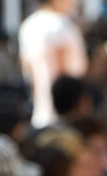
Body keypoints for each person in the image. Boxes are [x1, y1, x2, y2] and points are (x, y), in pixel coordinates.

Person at [18, 0, 87, 130]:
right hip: (64, 114)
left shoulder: (28, 26)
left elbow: (28, 71)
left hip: (40, 111)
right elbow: (62, 74)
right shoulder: (60, 25)